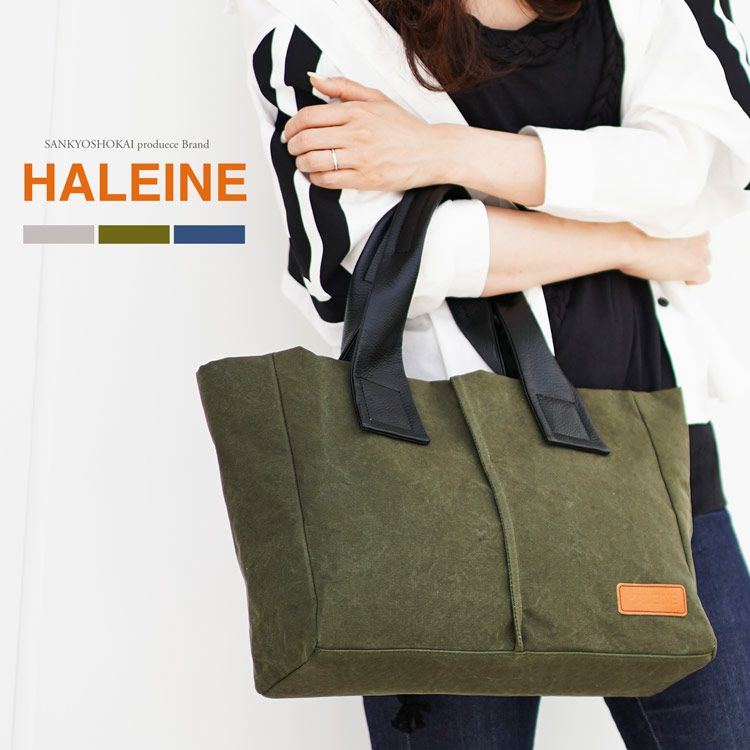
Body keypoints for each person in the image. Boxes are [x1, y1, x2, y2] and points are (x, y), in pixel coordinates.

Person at [234, 0, 750, 746]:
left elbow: (704, 167)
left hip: (662, 467)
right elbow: (358, 266)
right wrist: (628, 242)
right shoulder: (316, 15)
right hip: (441, 493)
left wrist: (445, 152)